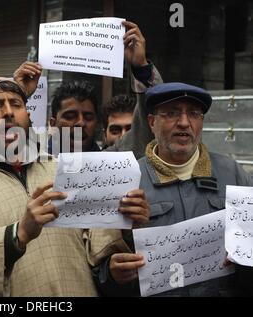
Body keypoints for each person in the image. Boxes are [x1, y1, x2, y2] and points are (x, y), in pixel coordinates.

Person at [0, 71, 150, 296]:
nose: (9, 112)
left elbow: (99, 252)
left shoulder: (64, 170)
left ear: (27, 115)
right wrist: (17, 234)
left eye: (16, 104)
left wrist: (127, 227)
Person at [95, 82, 253, 296]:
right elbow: (101, 270)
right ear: (151, 122)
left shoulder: (233, 174)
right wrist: (114, 274)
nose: (184, 123)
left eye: (194, 114)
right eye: (171, 113)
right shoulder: (125, 181)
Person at [48, 21, 162, 158]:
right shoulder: (30, 162)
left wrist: (141, 68)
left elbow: (146, 122)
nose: (80, 123)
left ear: (96, 125)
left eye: (88, 117)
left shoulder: (112, 161)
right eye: (70, 116)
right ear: (53, 125)